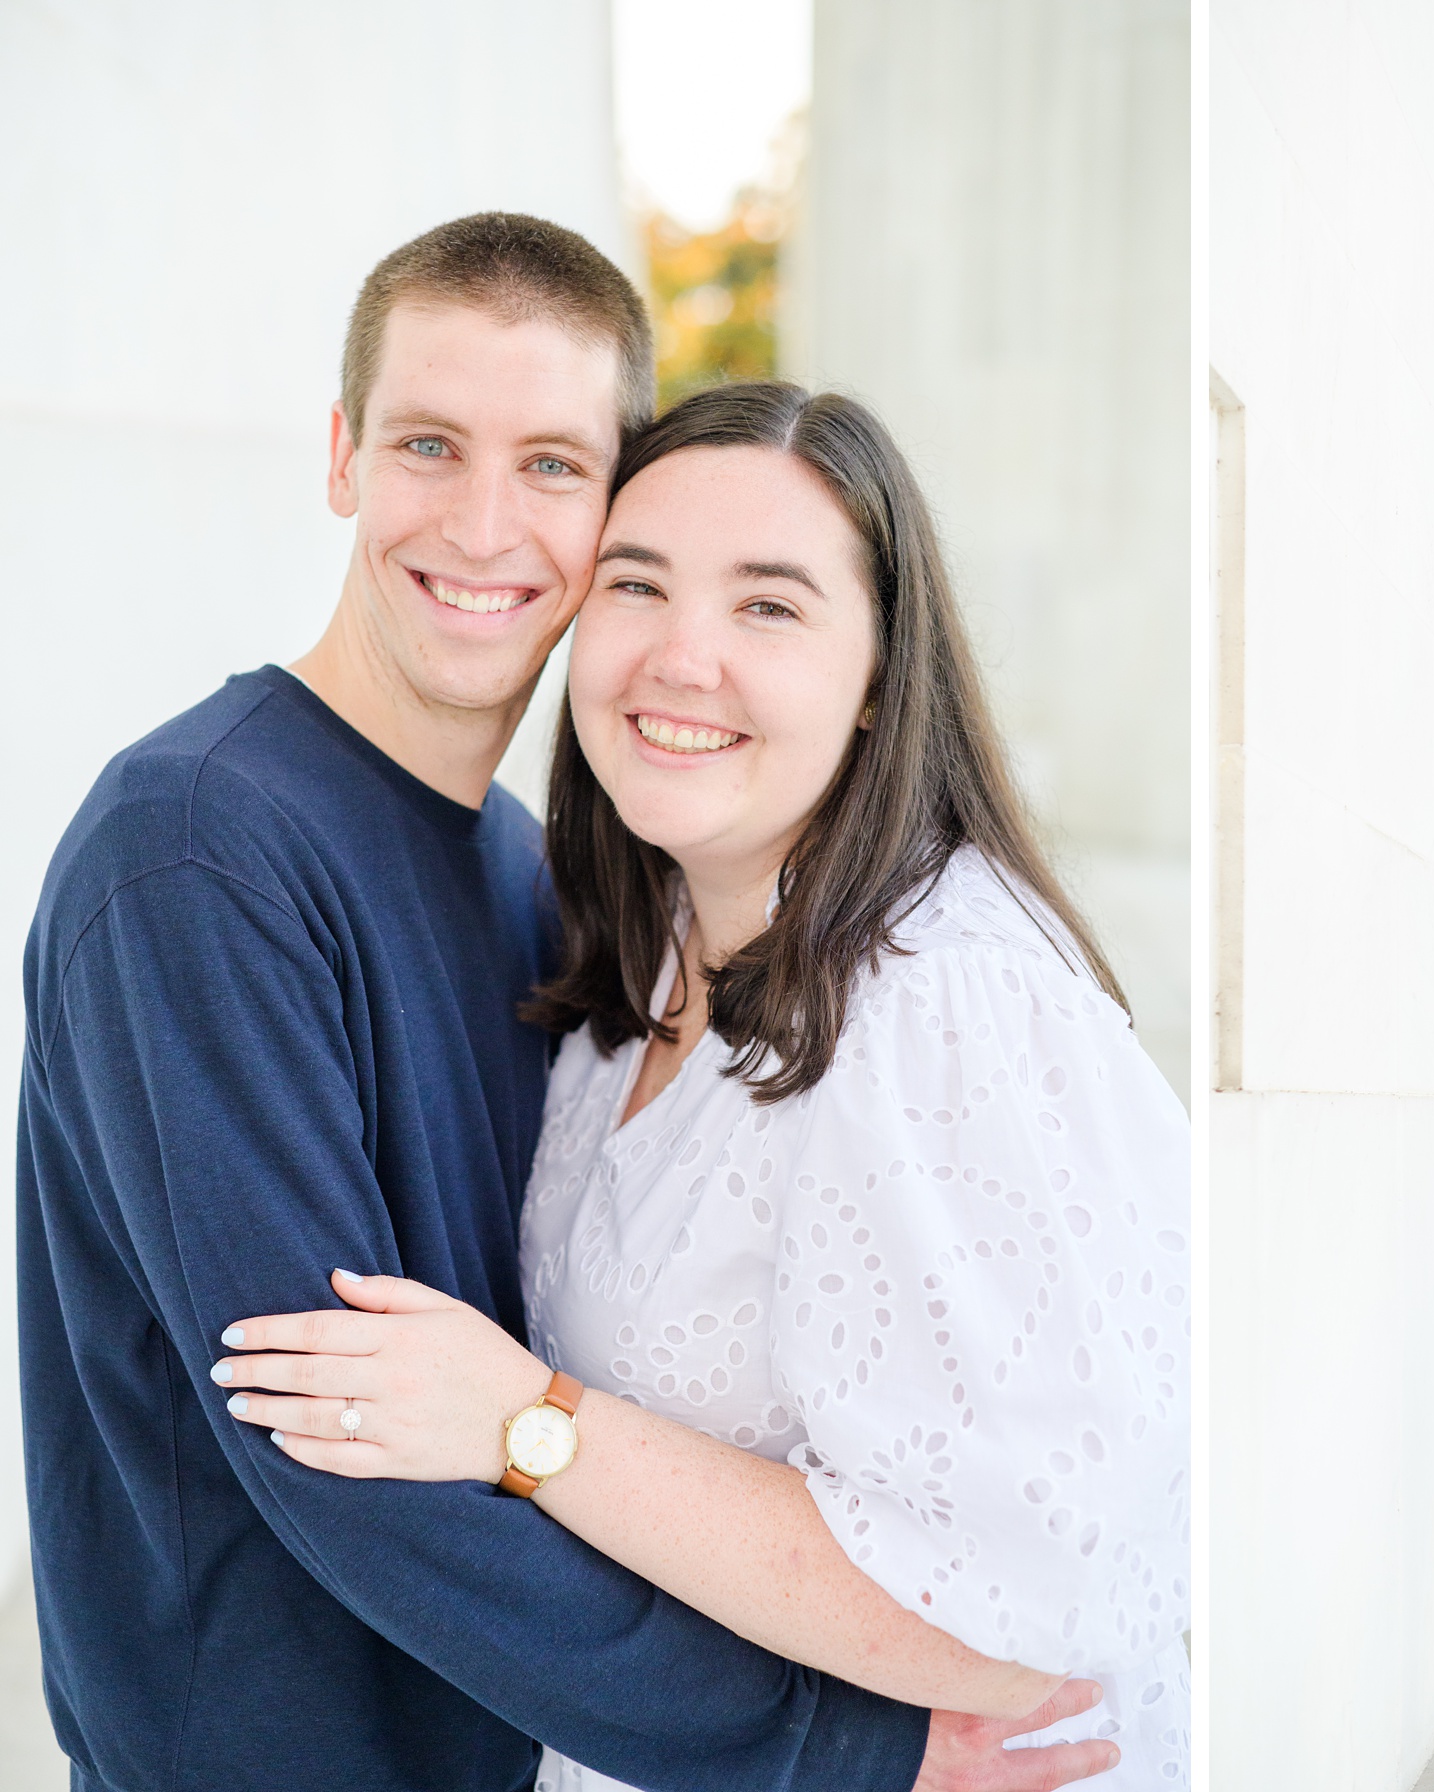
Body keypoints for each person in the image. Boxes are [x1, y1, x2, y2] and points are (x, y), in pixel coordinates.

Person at [18, 213, 1113, 1792]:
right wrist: (828, 1743)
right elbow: (343, 1453)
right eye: (427, 444)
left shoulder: (536, 873)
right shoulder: (194, 852)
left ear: (614, 507)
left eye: (549, 465)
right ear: (341, 457)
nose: (481, 523)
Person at [212, 379, 1192, 1787]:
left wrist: (526, 1423)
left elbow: (1019, 1622)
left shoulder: (941, 1002)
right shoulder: (644, 946)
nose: (681, 657)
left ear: (875, 686)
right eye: (638, 585)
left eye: (770, 606)